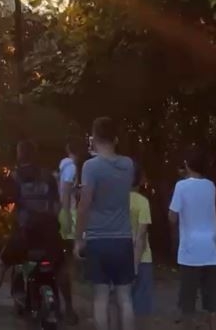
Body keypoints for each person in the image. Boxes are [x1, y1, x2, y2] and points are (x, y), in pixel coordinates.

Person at [0, 140, 72, 327]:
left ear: (19, 155)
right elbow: (57, 206)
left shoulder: (16, 177)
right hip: (50, 234)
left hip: (26, 235)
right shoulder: (48, 176)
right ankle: (70, 311)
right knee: (61, 266)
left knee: (1, 264)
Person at [75, 117, 135, 330]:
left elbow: (85, 204)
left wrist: (78, 239)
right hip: (123, 238)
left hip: (98, 239)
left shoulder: (91, 167)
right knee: (124, 298)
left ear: (94, 137)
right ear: (115, 138)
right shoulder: (128, 165)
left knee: (101, 297)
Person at [169, 148, 216, 330]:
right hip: (210, 251)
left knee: (187, 302)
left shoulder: (181, 186)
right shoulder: (211, 186)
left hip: (190, 251)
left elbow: (172, 216)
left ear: (187, 165)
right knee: (211, 301)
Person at [59, 140, 80, 325]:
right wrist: (66, 215)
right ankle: (68, 308)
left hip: (65, 212)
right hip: (69, 215)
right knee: (66, 262)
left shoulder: (64, 165)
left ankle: (65, 306)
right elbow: (65, 191)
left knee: (62, 260)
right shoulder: (72, 168)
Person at [130, 164, 153, 321]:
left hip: (118, 256)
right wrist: (136, 265)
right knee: (140, 309)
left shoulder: (113, 199)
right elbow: (141, 235)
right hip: (142, 258)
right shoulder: (142, 202)